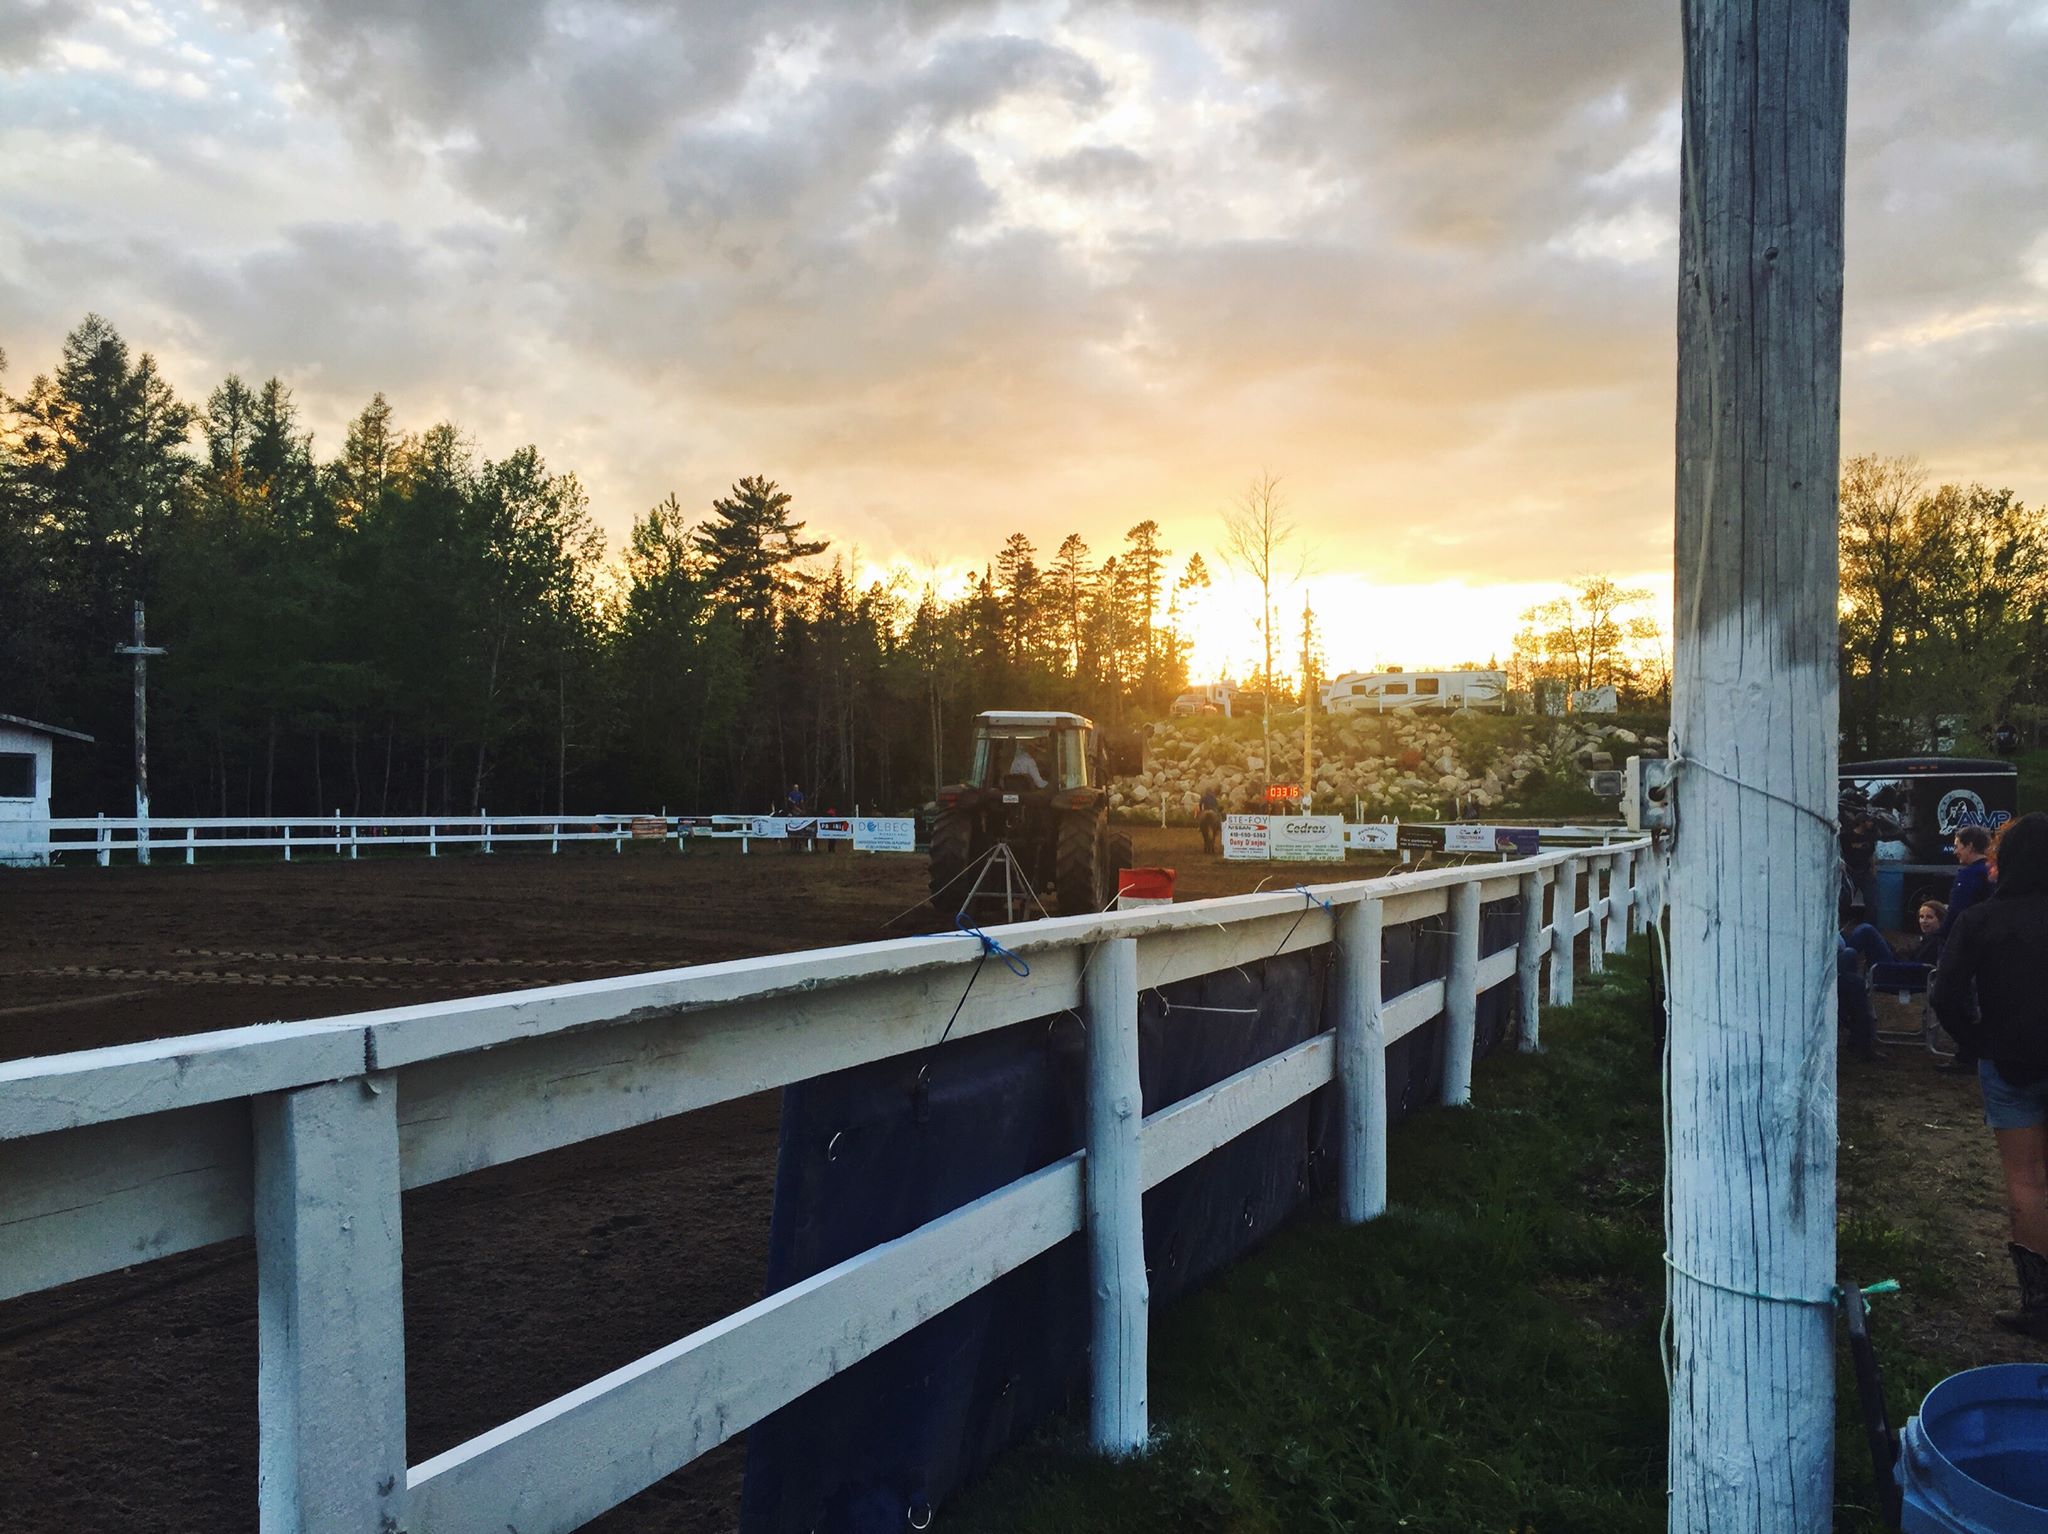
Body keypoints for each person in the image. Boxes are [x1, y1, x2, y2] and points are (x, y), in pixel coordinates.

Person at [1930, 811, 2048, 1339]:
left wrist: (1976, 1043)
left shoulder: (1981, 919)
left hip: (2009, 1061)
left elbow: (1944, 994)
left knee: (2026, 1180)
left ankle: (2039, 1302)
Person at [1197, 784, 1222, 855]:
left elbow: (1200, 804)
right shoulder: (1214, 798)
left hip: (1205, 810)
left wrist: (1201, 810)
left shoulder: (1203, 797)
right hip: (1213, 810)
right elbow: (1217, 805)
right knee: (1218, 816)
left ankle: (1199, 827)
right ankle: (1219, 827)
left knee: (1201, 819)